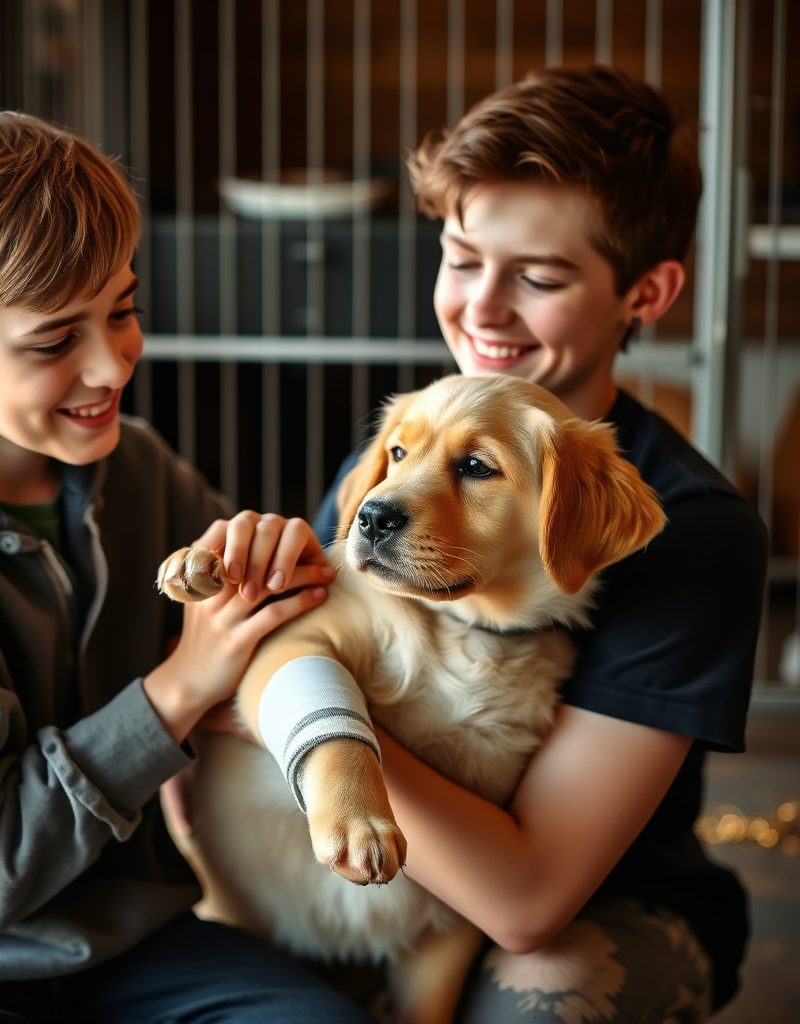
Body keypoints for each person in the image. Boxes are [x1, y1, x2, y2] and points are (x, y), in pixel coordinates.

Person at [0, 108, 372, 1024]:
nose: (112, 365)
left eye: (122, 309)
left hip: (127, 930)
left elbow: (266, 626)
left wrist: (281, 571)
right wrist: (179, 688)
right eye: (55, 341)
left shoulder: (130, 463)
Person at [312, 65, 767, 1022]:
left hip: (590, 900)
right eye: (463, 255)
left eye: (540, 277)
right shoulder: (403, 456)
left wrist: (295, 722)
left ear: (648, 291)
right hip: (365, 871)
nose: (482, 308)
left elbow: (526, 899)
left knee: (541, 1005)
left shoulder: (694, 531)